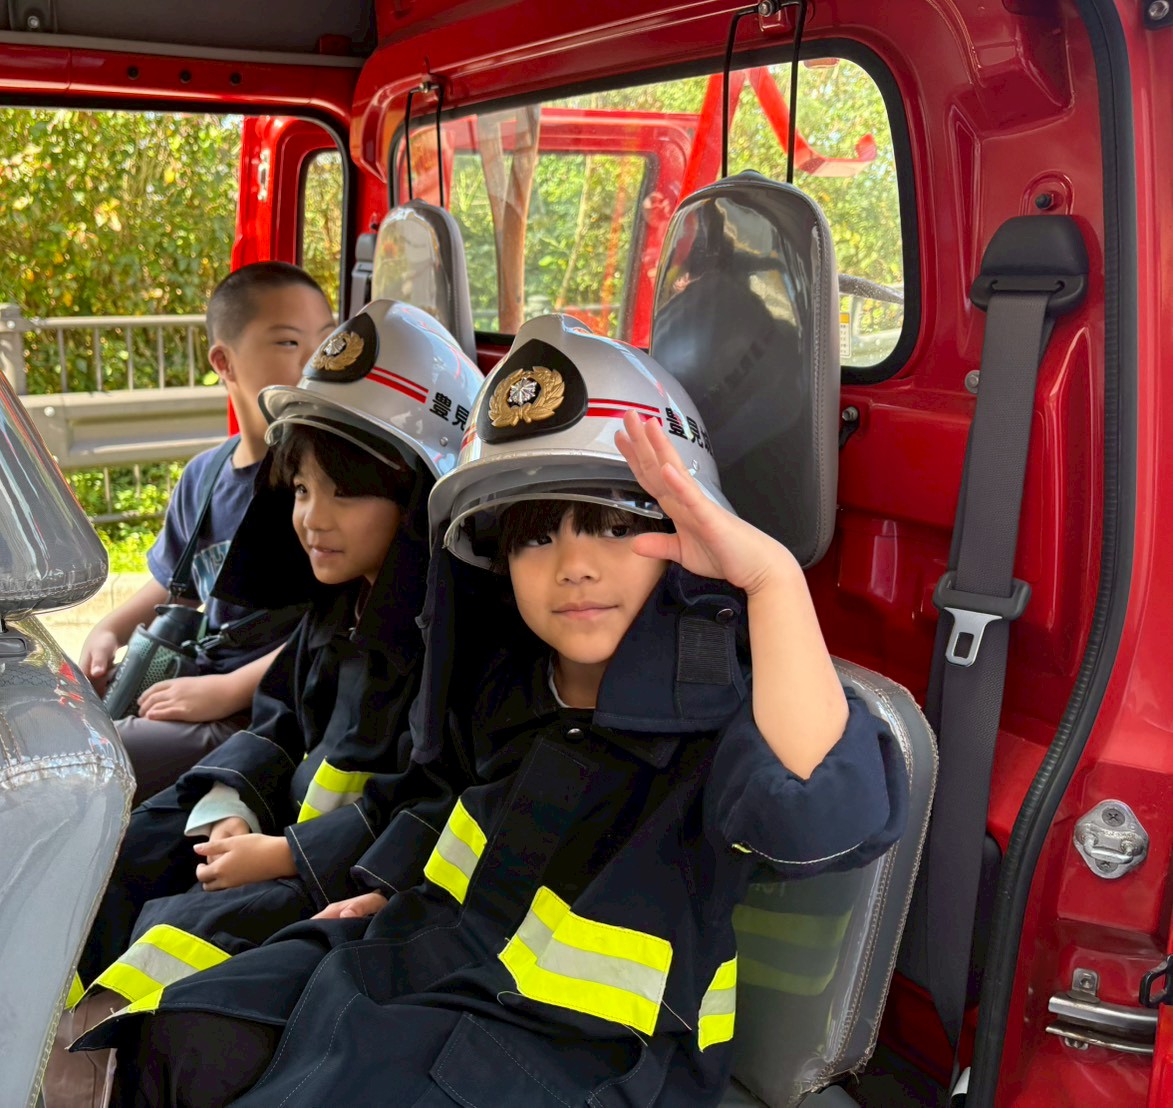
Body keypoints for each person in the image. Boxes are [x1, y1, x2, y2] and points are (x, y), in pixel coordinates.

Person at [83, 315, 908, 1107]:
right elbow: (456, 812)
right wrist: (393, 891)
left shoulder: (722, 715)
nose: (575, 566)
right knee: (184, 1035)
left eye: (616, 525)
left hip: (573, 1056)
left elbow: (818, 822)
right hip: (429, 956)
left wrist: (769, 579)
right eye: (536, 536)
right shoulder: (506, 688)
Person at [45, 301, 481, 1108]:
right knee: (130, 844)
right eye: (302, 490)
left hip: (334, 873)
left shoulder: (445, 646)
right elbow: (276, 724)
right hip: (273, 838)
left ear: (417, 497)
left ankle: (100, 1063)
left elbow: (433, 796)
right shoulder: (333, 610)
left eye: (344, 494)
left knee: (196, 943)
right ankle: (57, 1034)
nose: (312, 518)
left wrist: (285, 857)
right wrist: (227, 807)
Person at [79, 262, 335, 804]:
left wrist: (225, 691)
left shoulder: (321, 487)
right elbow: (179, 583)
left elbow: (338, 626)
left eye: (326, 342)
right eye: (289, 342)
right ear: (224, 362)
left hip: (264, 708)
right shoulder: (207, 473)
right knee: (71, 723)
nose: (312, 360)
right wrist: (108, 630)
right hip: (199, 679)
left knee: (89, 757)